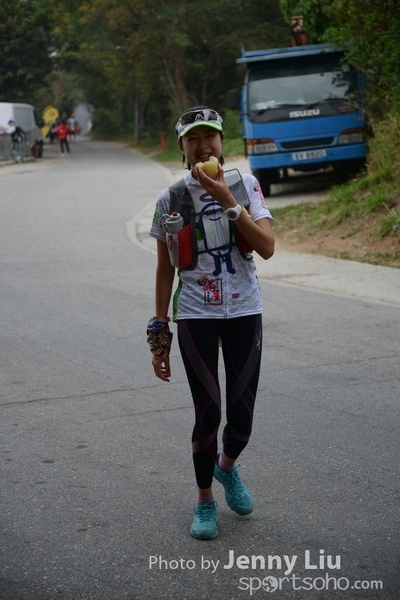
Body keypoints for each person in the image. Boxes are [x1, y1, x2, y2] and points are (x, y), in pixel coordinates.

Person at [148, 106, 275, 540]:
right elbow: (164, 270)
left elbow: (267, 247)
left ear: (222, 143)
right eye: (193, 140)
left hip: (244, 309)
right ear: (182, 149)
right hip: (195, 313)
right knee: (208, 412)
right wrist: (159, 333)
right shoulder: (170, 200)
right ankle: (204, 501)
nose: (203, 146)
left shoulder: (246, 185)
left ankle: (227, 467)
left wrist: (228, 201)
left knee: (241, 415)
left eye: (210, 137)